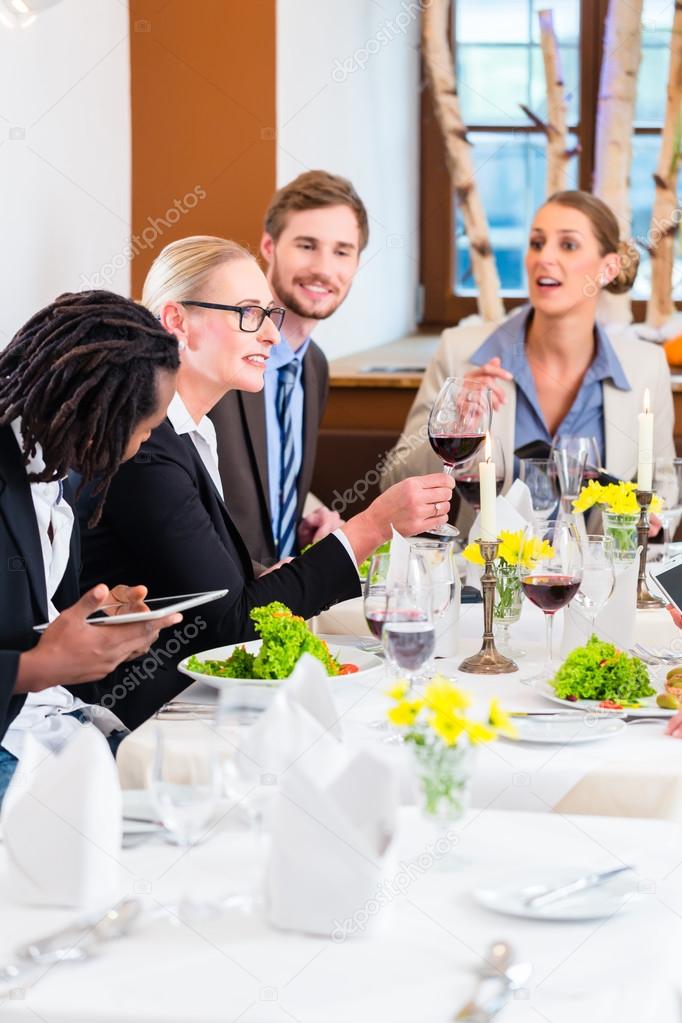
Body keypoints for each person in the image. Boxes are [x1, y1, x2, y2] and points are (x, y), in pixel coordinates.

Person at [78, 238, 453, 722]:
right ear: (177, 322)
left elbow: (216, 596)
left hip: (195, 691)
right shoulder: (145, 447)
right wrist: (373, 526)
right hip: (140, 712)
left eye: (269, 316)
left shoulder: (193, 432)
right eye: (248, 314)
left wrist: (258, 577)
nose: (272, 337)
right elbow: (231, 623)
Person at [380, 191, 675, 531]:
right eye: (537, 243)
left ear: (608, 268)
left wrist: (651, 517)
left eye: (568, 245)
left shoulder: (645, 365)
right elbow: (393, 481)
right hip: (480, 576)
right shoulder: (458, 352)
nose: (544, 257)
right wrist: (455, 428)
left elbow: (663, 486)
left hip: (598, 579)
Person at [0, 290, 183, 802]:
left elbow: (30, 615)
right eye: (146, 429)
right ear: (105, 415)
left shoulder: (57, 478)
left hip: (53, 721)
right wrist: (39, 666)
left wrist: (101, 624)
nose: (147, 440)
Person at [209, 171, 368, 566]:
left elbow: (259, 501)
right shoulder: (218, 352)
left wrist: (294, 531)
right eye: (307, 245)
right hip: (215, 612)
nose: (323, 269)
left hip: (280, 604)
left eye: (342, 251)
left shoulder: (315, 367)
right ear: (269, 245)